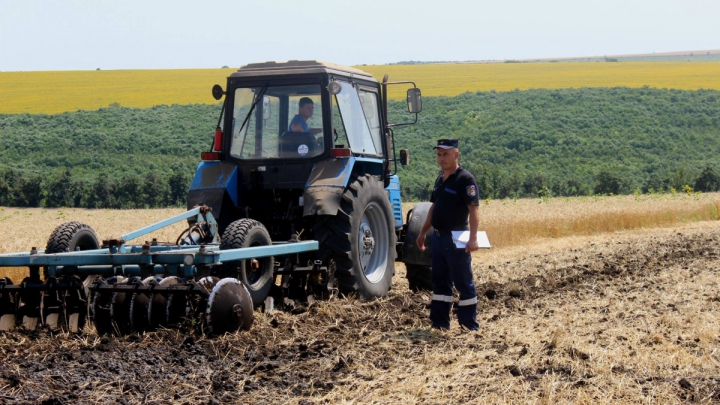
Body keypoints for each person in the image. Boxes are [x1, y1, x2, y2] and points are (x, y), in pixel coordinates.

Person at [416, 138, 480, 331]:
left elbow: (474, 210)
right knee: (440, 283)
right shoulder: (440, 178)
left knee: (463, 282)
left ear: (456, 155)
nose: (441, 158)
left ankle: (469, 326)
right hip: (438, 238)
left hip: (456, 238)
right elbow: (433, 208)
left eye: (446, 154)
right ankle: (440, 324)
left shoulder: (465, 179)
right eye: (439, 154)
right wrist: (422, 232)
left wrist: (473, 238)